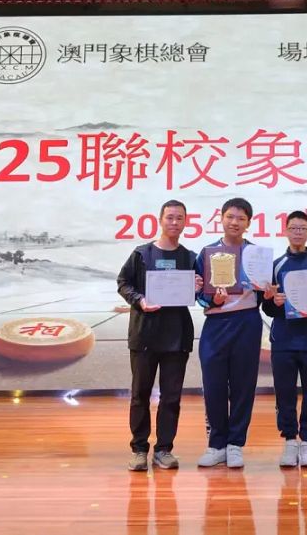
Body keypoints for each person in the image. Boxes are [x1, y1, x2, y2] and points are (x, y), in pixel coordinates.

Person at [116, 199, 196, 471]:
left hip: (177, 336)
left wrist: (198, 286)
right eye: (170, 217)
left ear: (185, 222)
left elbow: (201, 292)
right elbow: (123, 283)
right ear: (160, 220)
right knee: (140, 394)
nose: (174, 222)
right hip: (144, 335)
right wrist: (139, 300)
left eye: (179, 218)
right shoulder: (142, 254)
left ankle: (164, 449)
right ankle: (139, 449)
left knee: (171, 397)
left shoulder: (190, 258)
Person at [194, 197, 264, 469]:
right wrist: (213, 300)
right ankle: (216, 444)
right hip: (216, 323)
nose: (235, 222)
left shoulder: (257, 254)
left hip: (247, 321)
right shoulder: (207, 253)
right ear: (221, 219)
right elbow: (198, 294)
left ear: (248, 223)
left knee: (243, 384)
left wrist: (269, 292)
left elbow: (266, 296)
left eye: (241, 218)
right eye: (230, 217)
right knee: (213, 384)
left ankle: (235, 444)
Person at [262, 211, 307, 468]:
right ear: (286, 231)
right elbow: (267, 308)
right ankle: (290, 441)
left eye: (302, 228)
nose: (298, 232)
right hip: (284, 341)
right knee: (285, 393)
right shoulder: (276, 266)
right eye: (293, 228)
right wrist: (274, 301)